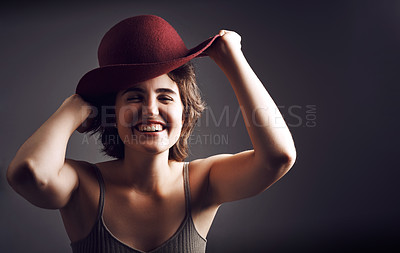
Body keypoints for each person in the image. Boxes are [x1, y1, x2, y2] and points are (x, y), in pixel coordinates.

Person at [6, 15, 296, 252]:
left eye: (166, 97)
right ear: (112, 112)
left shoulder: (203, 181)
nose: (150, 110)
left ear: (185, 112)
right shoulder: (82, 185)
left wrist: (233, 60)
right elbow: (29, 172)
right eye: (133, 97)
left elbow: (278, 157)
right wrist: (71, 110)